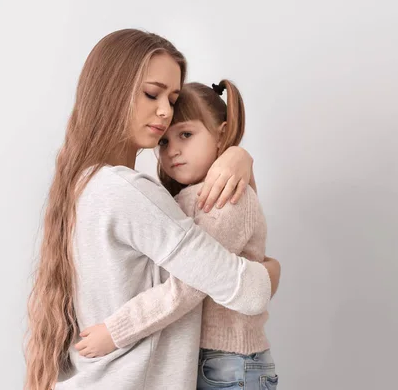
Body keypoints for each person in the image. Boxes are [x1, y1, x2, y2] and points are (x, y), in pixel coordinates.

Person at [24, 29, 280, 390]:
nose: (165, 111)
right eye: (151, 93)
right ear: (111, 91)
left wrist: (235, 155)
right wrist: (272, 269)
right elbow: (249, 292)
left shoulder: (86, 184)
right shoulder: (128, 192)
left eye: (173, 99)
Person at [75, 80, 280, 390]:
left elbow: (189, 285)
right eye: (164, 142)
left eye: (186, 134)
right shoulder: (181, 199)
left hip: (230, 363)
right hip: (205, 359)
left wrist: (116, 331)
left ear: (221, 133)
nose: (173, 151)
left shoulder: (223, 199)